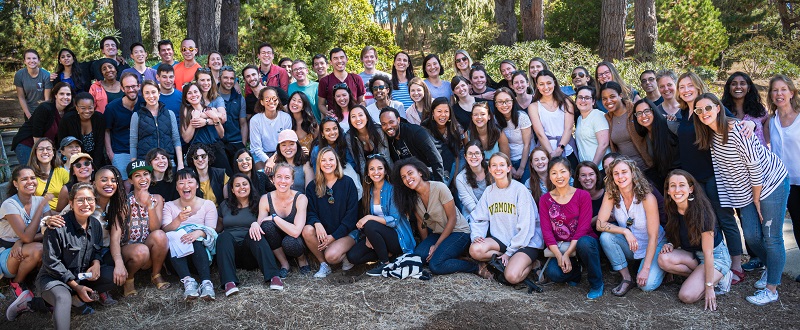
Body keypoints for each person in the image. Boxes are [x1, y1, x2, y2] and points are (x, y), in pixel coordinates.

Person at [693, 93, 789, 306]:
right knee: (752, 236)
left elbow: (754, 167)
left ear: (718, 108)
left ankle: (772, 289)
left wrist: (756, 200)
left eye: (708, 108)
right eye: (699, 110)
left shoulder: (736, 130)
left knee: (772, 237)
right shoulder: (712, 134)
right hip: (748, 190)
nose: (704, 113)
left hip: (770, 183)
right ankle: (769, 267)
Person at [675, 72, 746, 284]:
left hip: (713, 176)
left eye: (690, 85)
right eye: (682, 86)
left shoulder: (706, 106)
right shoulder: (682, 114)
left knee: (724, 219)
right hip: (693, 181)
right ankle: (717, 261)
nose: (686, 90)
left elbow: (729, 122)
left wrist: (749, 124)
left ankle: (736, 264)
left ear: (698, 86)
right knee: (707, 222)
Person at [34, 183, 115, 329]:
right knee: (62, 297)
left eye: (90, 199)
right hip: (54, 278)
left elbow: (97, 248)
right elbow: (52, 263)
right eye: (80, 200)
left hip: (80, 275)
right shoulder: (57, 226)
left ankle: (76, 299)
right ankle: (31, 303)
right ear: (71, 203)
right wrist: (76, 286)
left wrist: (96, 263)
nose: (86, 204)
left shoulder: (95, 224)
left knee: (113, 275)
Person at [657, 170, 732, 310]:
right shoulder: (672, 208)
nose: (677, 190)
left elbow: (709, 254)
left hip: (715, 257)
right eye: (672, 185)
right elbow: (679, 233)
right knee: (663, 259)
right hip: (696, 256)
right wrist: (670, 243)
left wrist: (709, 287)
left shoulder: (702, 212)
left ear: (690, 188)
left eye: (682, 185)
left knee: (686, 296)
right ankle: (708, 278)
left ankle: (719, 278)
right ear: (667, 190)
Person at [392, 157, 476, 275]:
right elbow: (422, 224)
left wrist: (436, 246)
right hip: (438, 233)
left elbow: (452, 218)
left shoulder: (439, 188)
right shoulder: (413, 198)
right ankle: (452, 255)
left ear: (420, 172)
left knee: (436, 265)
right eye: (403, 177)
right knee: (419, 257)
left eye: (410, 173)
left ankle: (475, 267)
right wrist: (426, 246)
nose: (407, 179)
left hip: (458, 232)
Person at [468, 152, 543, 283]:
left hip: (525, 242)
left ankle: (533, 264)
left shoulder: (520, 190)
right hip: (503, 239)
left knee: (511, 277)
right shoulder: (489, 191)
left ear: (508, 168)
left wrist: (510, 252)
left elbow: (527, 227)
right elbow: (479, 217)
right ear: (489, 169)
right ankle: (503, 259)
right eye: (494, 165)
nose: (498, 169)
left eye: (502, 165)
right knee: (475, 250)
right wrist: (477, 235)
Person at [596, 157, 666, 295]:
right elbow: (600, 224)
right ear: (611, 176)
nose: (620, 177)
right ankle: (627, 278)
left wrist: (646, 269)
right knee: (606, 237)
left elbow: (653, 236)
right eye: (616, 173)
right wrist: (624, 231)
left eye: (624, 172)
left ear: (633, 173)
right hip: (632, 243)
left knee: (647, 286)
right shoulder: (611, 194)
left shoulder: (647, 198)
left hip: (654, 244)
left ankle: (659, 268)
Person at [539, 157, 603, 299]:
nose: (559, 176)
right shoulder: (545, 200)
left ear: (570, 173)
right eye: (554, 173)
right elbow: (547, 232)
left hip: (584, 243)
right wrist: (560, 256)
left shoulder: (582, 195)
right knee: (553, 273)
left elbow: (583, 228)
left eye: (562, 171)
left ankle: (596, 283)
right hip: (561, 246)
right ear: (549, 176)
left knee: (585, 243)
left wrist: (567, 254)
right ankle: (576, 272)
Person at [347, 155, 416, 276]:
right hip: (378, 235)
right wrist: (369, 235)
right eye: (372, 169)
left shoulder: (393, 190)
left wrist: (369, 218)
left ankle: (385, 264)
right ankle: (388, 254)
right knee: (353, 256)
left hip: (398, 238)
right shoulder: (368, 191)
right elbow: (370, 225)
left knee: (369, 223)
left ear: (385, 171)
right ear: (368, 173)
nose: (376, 172)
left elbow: (394, 220)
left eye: (380, 168)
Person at [217, 174, 283, 295]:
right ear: (232, 189)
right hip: (232, 253)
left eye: (244, 184)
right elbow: (218, 227)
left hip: (252, 252)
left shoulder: (259, 203)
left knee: (255, 234)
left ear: (250, 186)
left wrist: (255, 224)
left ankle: (274, 276)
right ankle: (229, 282)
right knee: (223, 236)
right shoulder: (224, 205)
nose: (241, 187)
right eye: (237, 185)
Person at [112, 160, 169, 296]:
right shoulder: (124, 203)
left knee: (160, 235)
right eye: (137, 176)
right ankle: (129, 278)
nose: (143, 179)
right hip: (129, 248)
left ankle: (156, 274)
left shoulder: (157, 199)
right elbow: (115, 237)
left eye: (146, 174)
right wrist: (118, 262)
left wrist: (150, 205)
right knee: (141, 250)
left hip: (148, 246)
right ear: (130, 180)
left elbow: (155, 228)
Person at [161, 168, 218, 301]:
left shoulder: (208, 205)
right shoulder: (169, 206)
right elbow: (165, 230)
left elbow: (212, 231)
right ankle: (188, 282)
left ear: (197, 185)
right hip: (177, 260)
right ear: (176, 187)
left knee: (196, 239)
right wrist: (178, 220)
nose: (186, 186)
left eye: (190, 182)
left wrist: (198, 232)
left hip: (202, 257)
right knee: (176, 237)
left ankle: (206, 283)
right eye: (181, 183)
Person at [302, 147, 359, 278]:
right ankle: (324, 265)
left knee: (332, 256)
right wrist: (316, 223)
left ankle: (344, 254)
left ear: (337, 162)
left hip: (347, 231)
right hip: (325, 232)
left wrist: (333, 237)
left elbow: (351, 216)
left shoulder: (347, 183)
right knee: (307, 230)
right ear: (319, 163)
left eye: (331, 159)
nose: (328, 163)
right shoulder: (312, 186)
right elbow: (310, 211)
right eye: (323, 160)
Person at [766, 75, 800, 282]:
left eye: (783, 89)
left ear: (792, 93)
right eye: (775, 90)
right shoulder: (771, 121)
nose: (779, 94)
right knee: (797, 223)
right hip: (785, 182)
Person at [0, 166, 49, 303]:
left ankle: (36, 279)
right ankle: (17, 282)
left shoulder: (40, 201)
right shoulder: (10, 204)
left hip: (24, 246)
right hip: (9, 253)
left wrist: (20, 241)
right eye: (24, 179)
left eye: (32, 178)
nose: (30, 181)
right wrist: (40, 208)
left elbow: (49, 230)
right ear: (15, 183)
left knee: (47, 246)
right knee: (38, 249)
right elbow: (26, 236)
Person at [257, 163, 311, 277]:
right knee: (266, 226)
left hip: (295, 241)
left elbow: (296, 232)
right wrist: (254, 224)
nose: (282, 181)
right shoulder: (265, 199)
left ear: (292, 181)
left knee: (290, 242)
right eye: (279, 177)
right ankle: (284, 264)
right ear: (273, 179)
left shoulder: (300, 198)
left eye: (287, 177)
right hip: (276, 242)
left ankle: (302, 260)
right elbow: (260, 225)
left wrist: (274, 217)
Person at [12, 82, 74, 167]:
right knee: (31, 172)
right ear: (55, 95)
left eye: (68, 94)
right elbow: (36, 134)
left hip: (45, 148)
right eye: (61, 94)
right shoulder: (45, 108)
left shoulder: (68, 113)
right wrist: (39, 156)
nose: (65, 97)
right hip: (27, 144)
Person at [379, 107, 445, 182]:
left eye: (391, 122)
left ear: (398, 120)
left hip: (442, 166)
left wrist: (439, 184)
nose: (388, 127)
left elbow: (436, 159)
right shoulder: (388, 140)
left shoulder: (416, 133)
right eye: (384, 124)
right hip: (417, 174)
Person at [130, 80, 183, 170]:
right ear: (143, 95)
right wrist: (134, 166)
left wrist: (180, 164)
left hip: (168, 163)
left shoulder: (170, 114)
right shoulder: (137, 116)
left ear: (159, 93)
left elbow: (176, 140)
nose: (151, 96)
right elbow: (133, 143)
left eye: (153, 92)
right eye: (147, 93)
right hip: (146, 164)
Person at [601, 81, 652, 175]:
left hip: (647, 167)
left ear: (620, 95)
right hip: (626, 173)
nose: (608, 101)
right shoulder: (607, 119)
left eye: (612, 96)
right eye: (604, 98)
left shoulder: (635, 110)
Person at [179, 82, 231, 174]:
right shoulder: (185, 114)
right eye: (189, 93)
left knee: (225, 179)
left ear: (200, 94)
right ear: (186, 97)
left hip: (216, 151)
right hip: (198, 153)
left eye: (196, 92)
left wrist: (213, 119)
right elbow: (186, 139)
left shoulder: (212, 110)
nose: (193, 95)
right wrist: (194, 120)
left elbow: (221, 134)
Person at [529, 70, 577, 169]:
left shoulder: (566, 102)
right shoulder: (533, 106)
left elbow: (568, 128)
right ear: (537, 86)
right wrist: (551, 153)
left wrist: (560, 149)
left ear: (554, 82)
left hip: (567, 147)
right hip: (546, 150)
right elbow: (540, 133)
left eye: (549, 83)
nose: (546, 87)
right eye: (541, 84)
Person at [632, 98, 680, 192]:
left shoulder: (669, 125)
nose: (643, 116)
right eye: (639, 113)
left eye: (646, 111)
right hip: (666, 180)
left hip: (682, 176)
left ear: (653, 111)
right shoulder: (646, 136)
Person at [310, 117, 363, 197]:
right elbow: (317, 172)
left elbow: (352, 165)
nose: (332, 132)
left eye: (335, 129)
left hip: (345, 177)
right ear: (322, 133)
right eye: (327, 130)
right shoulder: (317, 150)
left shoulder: (344, 143)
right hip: (326, 179)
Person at [422, 97, 467, 185]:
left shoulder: (455, 128)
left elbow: (457, 154)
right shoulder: (424, 128)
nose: (443, 115)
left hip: (452, 163)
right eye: (439, 111)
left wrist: (455, 177)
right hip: (431, 166)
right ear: (433, 113)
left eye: (446, 111)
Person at [104, 72, 141, 180]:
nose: (131, 89)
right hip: (120, 151)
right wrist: (110, 153)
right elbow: (106, 131)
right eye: (127, 87)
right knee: (125, 185)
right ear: (122, 88)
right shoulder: (112, 108)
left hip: (141, 151)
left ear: (138, 86)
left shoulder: (144, 104)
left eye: (133, 86)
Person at [57, 93, 107, 168]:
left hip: (96, 160)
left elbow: (100, 145)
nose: (87, 111)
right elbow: (62, 142)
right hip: (72, 159)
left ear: (94, 106)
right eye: (83, 108)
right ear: (77, 108)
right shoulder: (68, 120)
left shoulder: (99, 118)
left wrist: (94, 167)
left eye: (90, 107)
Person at [249, 87, 293, 169]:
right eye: (267, 99)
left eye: (274, 99)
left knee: (280, 172)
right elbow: (256, 148)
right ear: (262, 102)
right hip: (260, 154)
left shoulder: (285, 118)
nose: (271, 101)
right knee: (263, 174)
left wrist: (273, 159)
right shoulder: (255, 120)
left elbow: (285, 142)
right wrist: (268, 160)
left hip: (281, 153)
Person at [721, 72, 769, 146]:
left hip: (759, 156)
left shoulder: (759, 110)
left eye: (742, 83)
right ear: (729, 88)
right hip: (731, 156)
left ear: (748, 88)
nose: (738, 86)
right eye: (734, 84)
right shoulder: (721, 110)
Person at [494, 88, 532, 181]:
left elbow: (527, 144)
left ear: (513, 101)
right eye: (500, 102)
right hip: (506, 160)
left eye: (507, 101)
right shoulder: (495, 120)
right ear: (495, 104)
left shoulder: (521, 117)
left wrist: (521, 168)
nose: (504, 105)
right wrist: (509, 165)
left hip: (524, 158)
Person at [347, 105, 392, 178]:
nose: (357, 119)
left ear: (367, 117)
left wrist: (387, 178)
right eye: (353, 116)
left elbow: (385, 157)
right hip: (368, 174)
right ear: (350, 121)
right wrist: (368, 180)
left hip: (387, 171)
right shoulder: (349, 137)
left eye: (360, 115)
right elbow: (360, 162)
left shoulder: (378, 131)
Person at [318, 48, 366, 115]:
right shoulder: (325, 81)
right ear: (331, 62)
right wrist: (327, 113)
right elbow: (321, 104)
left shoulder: (356, 78)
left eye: (342, 57)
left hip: (354, 119)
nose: (339, 61)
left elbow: (362, 101)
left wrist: (360, 110)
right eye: (335, 58)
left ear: (346, 59)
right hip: (335, 122)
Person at [26, 138, 70, 210]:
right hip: (38, 214)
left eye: (48, 149)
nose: (45, 152)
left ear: (53, 153)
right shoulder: (29, 174)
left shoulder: (62, 172)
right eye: (41, 149)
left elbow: (71, 196)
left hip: (60, 214)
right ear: (35, 152)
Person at [218, 66, 248, 168]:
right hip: (218, 144)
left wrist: (242, 146)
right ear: (219, 78)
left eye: (232, 78)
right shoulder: (212, 96)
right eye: (225, 78)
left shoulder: (240, 99)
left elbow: (243, 124)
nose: (229, 81)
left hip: (236, 142)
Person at [455, 140, 493, 222]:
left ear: (482, 156)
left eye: (477, 153)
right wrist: (486, 217)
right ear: (465, 156)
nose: (473, 156)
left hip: (495, 213)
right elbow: (470, 205)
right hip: (474, 216)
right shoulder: (460, 179)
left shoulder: (493, 170)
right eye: (470, 153)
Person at [574, 86, 610, 169]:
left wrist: (593, 167)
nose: (583, 100)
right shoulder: (579, 118)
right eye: (580, 97)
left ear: (593, 101)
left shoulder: (598, 115)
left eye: (587, 98)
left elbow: (603, 144)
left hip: (601, 168)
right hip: (587, 169)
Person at [15, 49, 52, 119]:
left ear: (38, 60)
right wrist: (28, 114)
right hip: (28, 112)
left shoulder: (46, 75)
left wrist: (42, 114)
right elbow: (21, 97)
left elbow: (47, 99)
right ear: (24, 61)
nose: (31, 61)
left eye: (34, 58)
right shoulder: (19, 75)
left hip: (44, 111)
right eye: (28, 58)